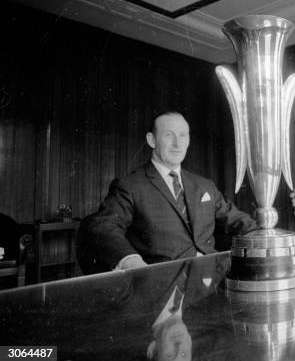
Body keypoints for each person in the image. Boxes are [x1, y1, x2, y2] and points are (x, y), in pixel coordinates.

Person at [77, 111, 256, 274]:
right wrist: (131, 262)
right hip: (162, 282)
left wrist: (267, 237)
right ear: (151, 140)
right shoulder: (130, 185)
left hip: (211, 277)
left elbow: (237, 220)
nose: (177, 143)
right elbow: (104, 226)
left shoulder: (204, 186)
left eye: (183, 135)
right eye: (169, 135)